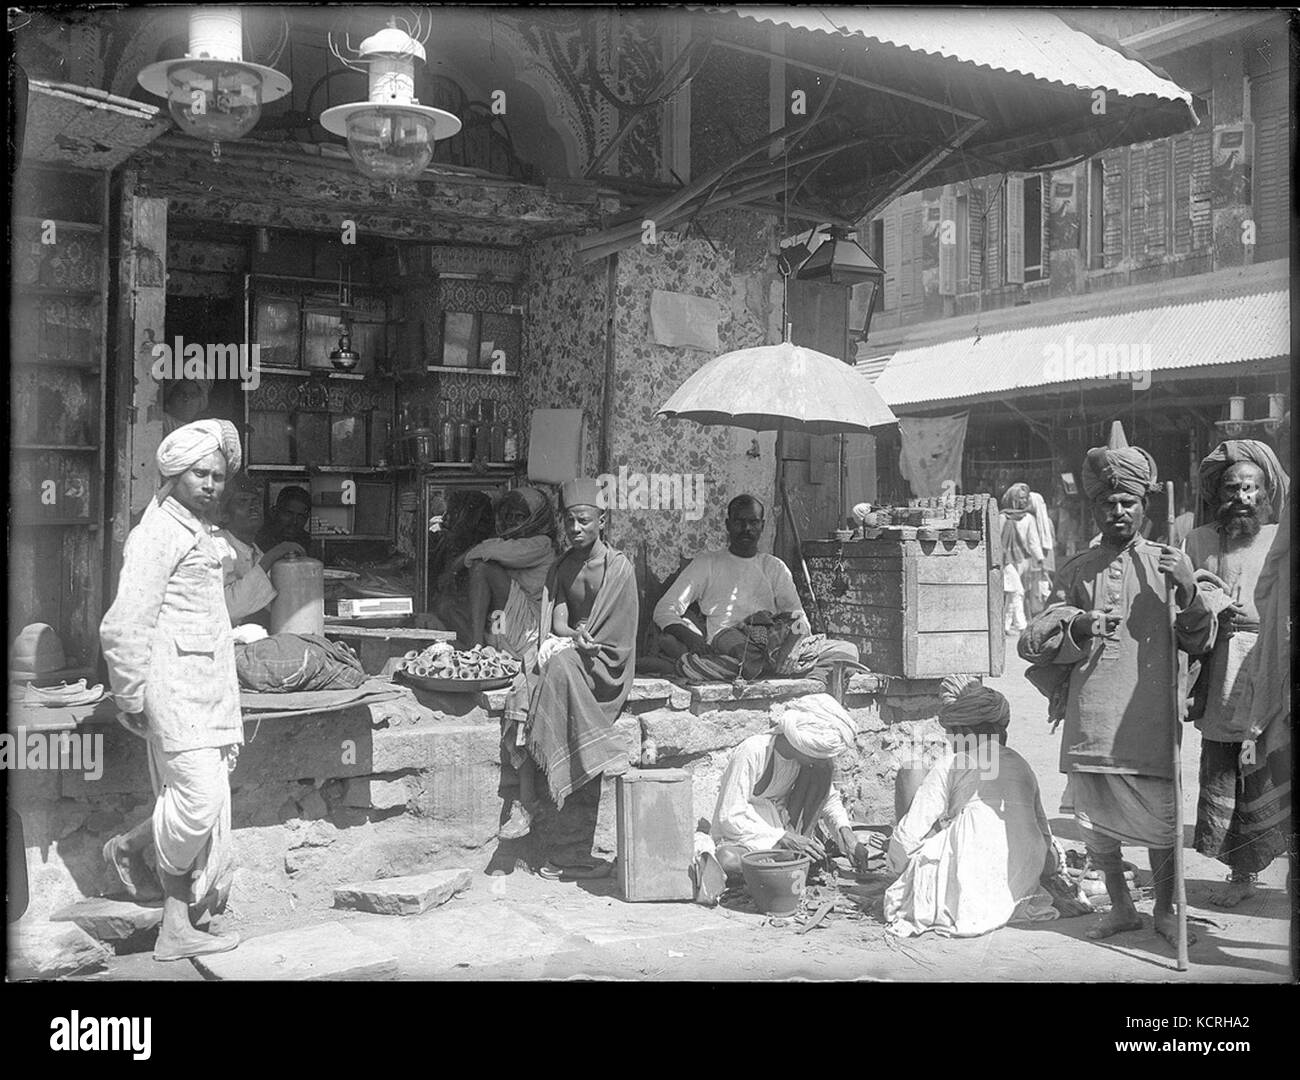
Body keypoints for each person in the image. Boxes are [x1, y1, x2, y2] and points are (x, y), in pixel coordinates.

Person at [1018, 443, 1217, 949]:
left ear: (1144, 507)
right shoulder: (1077, 569)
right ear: (1096, 508)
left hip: (1147, 714)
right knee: (1095, 820)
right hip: (1090, 714)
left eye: (1128, 501)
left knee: (1162, 815)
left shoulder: (1170, 564)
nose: (1118, 511)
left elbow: (1199, 639)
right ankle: (1123, 907)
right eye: (1108, 503)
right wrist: (1081, 623)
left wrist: (1189, 589)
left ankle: (1169, 910)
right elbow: (1036, 637)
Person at [99, 419, 245, 962]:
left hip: (205, 690)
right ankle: (170, 916)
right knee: (198, 800)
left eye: (218, 476)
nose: (210, 484)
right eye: (199, 474)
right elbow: (125, 623)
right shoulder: (157, 533)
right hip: (174, 691)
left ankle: (142, 864)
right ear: (175, 474)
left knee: (199, 802)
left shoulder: (195, 529)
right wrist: (131, 693)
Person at [498, 478, 638, 855]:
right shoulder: (562, 566)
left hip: (605, 662)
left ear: (601, 520)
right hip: (573, 649)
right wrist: (574, 634)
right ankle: (526, 801)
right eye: (569, 522)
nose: (575, 529)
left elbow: (620, 635)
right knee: (527, 680)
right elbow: (557, 621)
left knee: (556, 668)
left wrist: (586, 642)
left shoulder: (619, 569)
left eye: (583, 521)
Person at [1184, 440, 1289, 906]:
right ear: (1218, 494)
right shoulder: (1199, 540)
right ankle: (1240, 874)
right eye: (1232, 488)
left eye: (1251, 487)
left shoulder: (1282, 539)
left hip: (1270, 666)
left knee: (1272, 767)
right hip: (1221, 668)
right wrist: (1208, 609)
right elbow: (1183, 601)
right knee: (1226, 768)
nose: (1241, 496)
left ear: (1266, 492)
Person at [883, 675, 1059, 938]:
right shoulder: (1022, 764)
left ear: (962, 733)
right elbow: (1045, 838)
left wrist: (896, 871)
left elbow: (907, 836)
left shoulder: (954, 762)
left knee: (912, 773)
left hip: (970, 881)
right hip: (1021, 883)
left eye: (952, 735)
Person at [652, 494, 859, 690]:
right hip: (730, 649)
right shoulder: (707, 563)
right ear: (727, 525)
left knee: (848, 651)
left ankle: (778, 668)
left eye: (753, 522)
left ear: (762, 525)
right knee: (732, 662)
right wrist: (692, 639)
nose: (746, 528)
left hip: (771, 647)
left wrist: (791, 649)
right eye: (739, 522)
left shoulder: (774, 566)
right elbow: (663, 610)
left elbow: (798, 617)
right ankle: (780, 670)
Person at [695, 693, 869, 897]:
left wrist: (847, 836)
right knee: (728, 860)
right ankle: (785, 865)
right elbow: (729, 817)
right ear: (802, 743)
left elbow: (827, 800)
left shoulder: (810, 764)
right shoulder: (753, 751)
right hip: (746, 835)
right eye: (820, 754)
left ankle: (781, 865)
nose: (823, 760)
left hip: (786, 832)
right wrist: (782, 837)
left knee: (824, 771)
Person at [458, 487, 557, 655]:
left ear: (534, 517)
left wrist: (459, 561)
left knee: (482, 568)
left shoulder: (541, 544)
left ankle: (476, 645)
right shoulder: (510, 541)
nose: (512, 522)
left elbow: (489, 552)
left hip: (530, 626)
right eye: (509, 516)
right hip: (506, 622)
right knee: (447, 606)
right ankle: (480, 644)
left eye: (519, 517)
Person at [211, 476, 304, 624]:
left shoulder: (254, 551)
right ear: (224, 515)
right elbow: (228, 608)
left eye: (256, 501)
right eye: (243, 501)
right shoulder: (216, 545)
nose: (253, 507)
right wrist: (271, 557)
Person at [999, 483, 1044, 633]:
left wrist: (1040, 559)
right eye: (1020, 498)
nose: (1024, 501)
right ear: (1013, 499)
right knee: (1018, 591)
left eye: (1026, 498)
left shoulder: (1028, 518)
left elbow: (1033, 541)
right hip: (1005, 560)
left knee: (1012, 593)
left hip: (1022, 559)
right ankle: (1022, 625)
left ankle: (1004, 625)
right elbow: (997, 541)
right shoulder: (1002, 517)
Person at [255, 484, 316, 556]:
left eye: (300, 516)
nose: (294, 521)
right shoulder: (258, 540)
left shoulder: (308, 542)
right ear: (274, 512)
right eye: (288, 514)